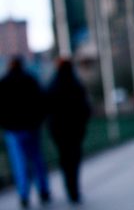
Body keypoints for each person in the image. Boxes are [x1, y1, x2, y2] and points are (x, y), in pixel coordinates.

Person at [0, 56, 50, 208]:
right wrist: (37, 122)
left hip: (13, 131)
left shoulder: (4, 82)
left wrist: (7, 125)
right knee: (37, 160)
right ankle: (43, 190)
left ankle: (24, 195)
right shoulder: (30, 80)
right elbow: (42, 103)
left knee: (19, 163)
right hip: (32, 128)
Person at [46, 59, 91, 205]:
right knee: (75, 159)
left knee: (64, 159)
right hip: (75, 130)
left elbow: (46, 108)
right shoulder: (76, 85)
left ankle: (69, 187)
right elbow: (86, 108)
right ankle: (74, 189)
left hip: (59, 131)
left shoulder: (53, 85)